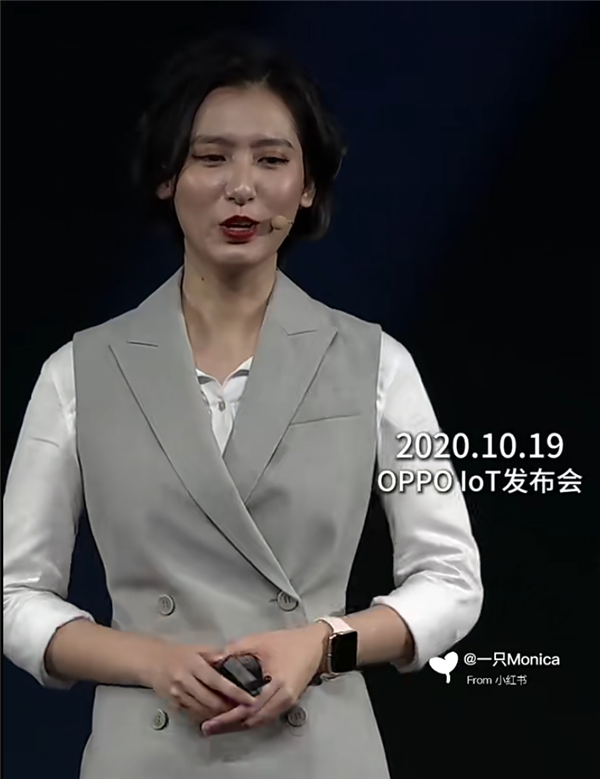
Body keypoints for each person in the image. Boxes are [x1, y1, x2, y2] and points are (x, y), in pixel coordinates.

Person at [3, 30, 483, 779]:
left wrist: (322, 645)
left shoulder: (377, 365)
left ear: (309, 185)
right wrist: (150, 660)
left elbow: (451, 580)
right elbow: (16, 594)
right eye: (211, 157)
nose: (241, 187)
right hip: (148, 753)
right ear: (168, 177)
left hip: (320, 752)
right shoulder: (78, 374)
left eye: (271, 159)